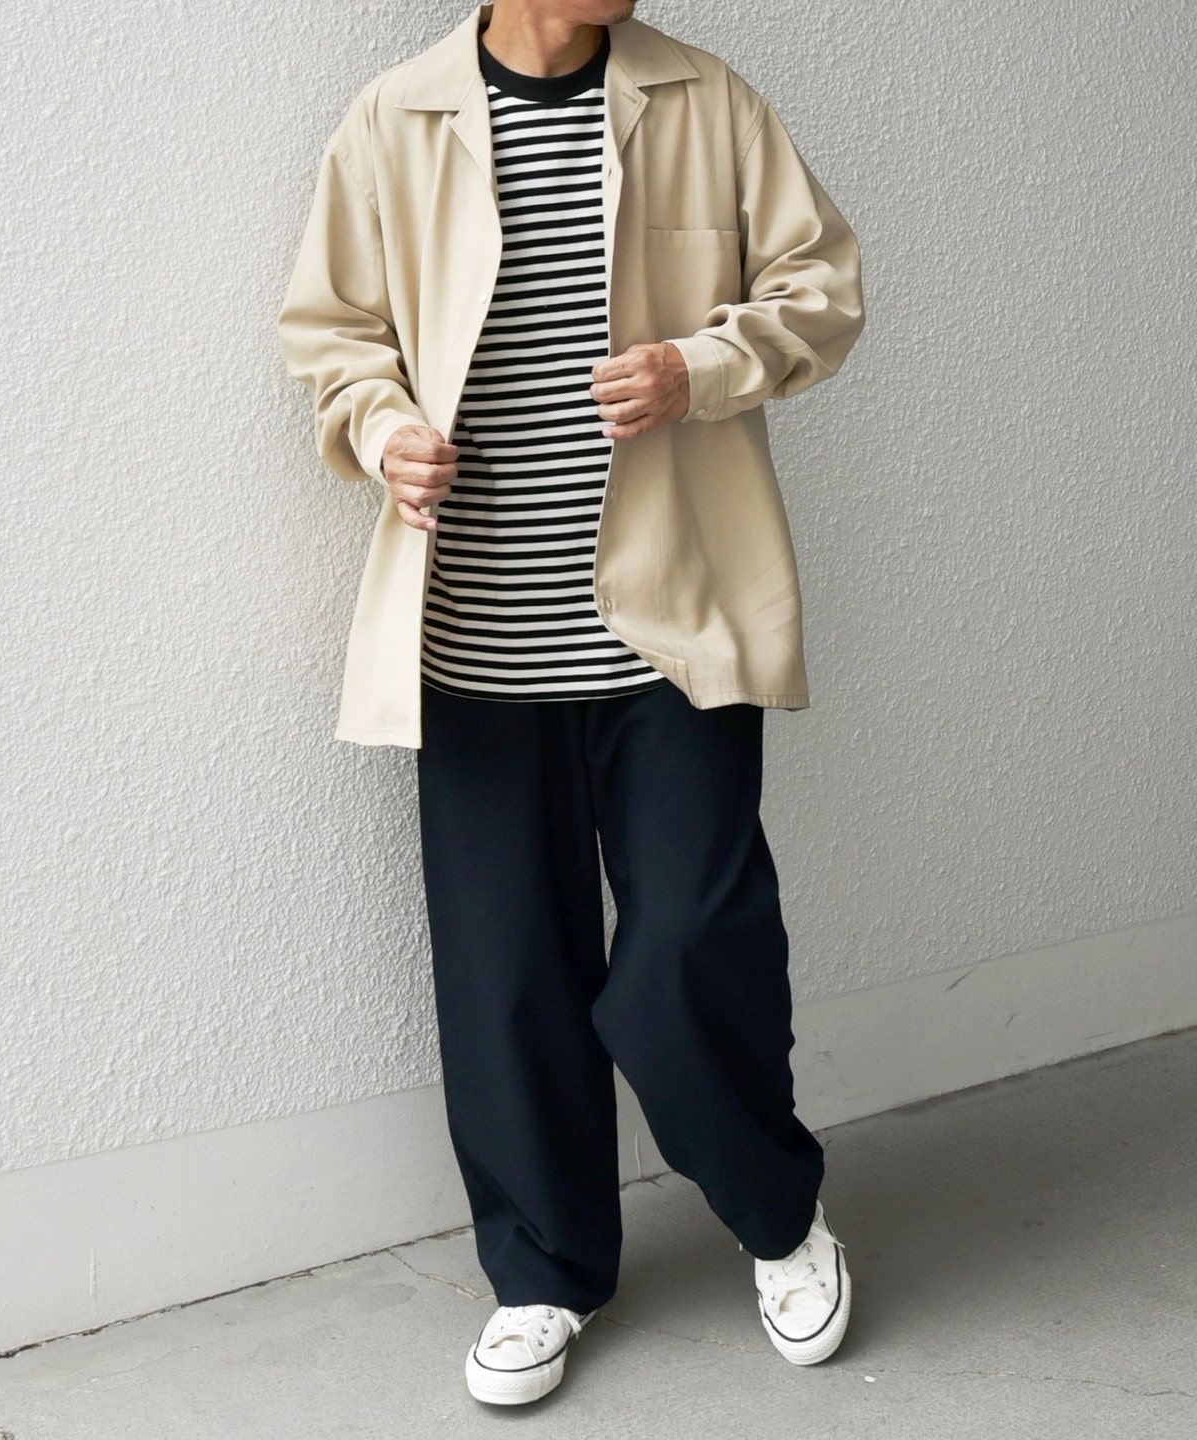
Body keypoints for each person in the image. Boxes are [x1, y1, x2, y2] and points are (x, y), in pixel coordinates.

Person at [279, 0, 864, 1408]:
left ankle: (778, 1215)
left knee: (688, 951)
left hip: (668, 632)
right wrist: (383, 429)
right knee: (508, 980)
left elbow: (822, 289)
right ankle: (541, 1271)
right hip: (474, 646)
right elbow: (333, 334)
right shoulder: (394, 119)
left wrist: (698, 367)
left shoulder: (709, 100)